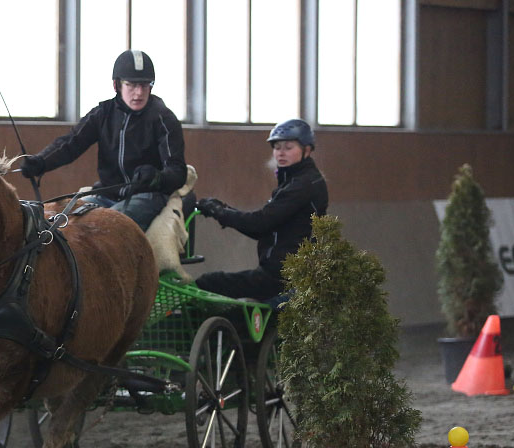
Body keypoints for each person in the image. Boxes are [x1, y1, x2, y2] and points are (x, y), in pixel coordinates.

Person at [21, 50, 187, 232]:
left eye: (145, 85)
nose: (139, 93)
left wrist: (156, 177)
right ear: (116, 85)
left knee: (107, 225)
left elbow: (177, 172)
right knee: (63, 222)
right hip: (105, 195)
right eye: (131, 85)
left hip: (147, 196)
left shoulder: (164, 119)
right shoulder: (102, 113)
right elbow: (70, 144)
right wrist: (41, 161)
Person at [195, 118, 328, 300]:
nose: (281, 153)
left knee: (207, 283)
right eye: (277, 147)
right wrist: (223, 210)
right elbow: (262, 227)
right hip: (281, 274)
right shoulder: (296, 181)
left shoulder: (302, 185)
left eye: (288, 148)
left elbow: (259, 223)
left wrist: (220, 212)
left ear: (307, 150)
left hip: (281, 278)